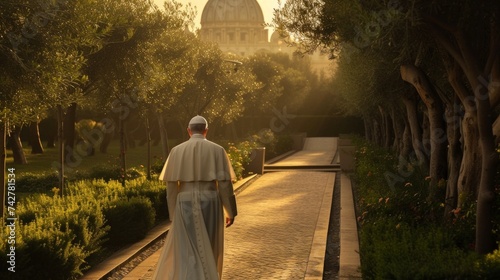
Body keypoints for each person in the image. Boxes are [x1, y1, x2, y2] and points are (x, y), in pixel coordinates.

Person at [153, 115, 238, 280]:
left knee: (186, 249)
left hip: (184, 202)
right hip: (210, 202)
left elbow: (171, 187)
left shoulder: (176, 151)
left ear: (188, 131)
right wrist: (231, 211)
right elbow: (225, 183)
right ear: (206, 130)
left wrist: (173, 214)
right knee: (211, 246)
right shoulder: (217, 150)